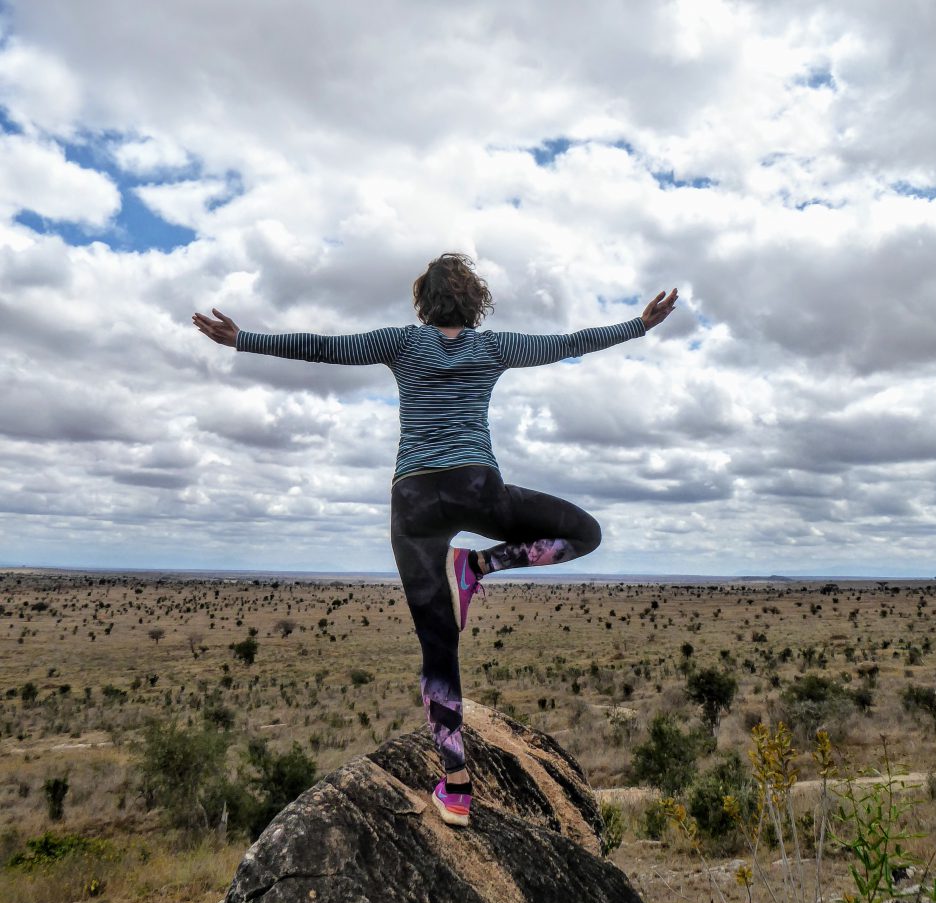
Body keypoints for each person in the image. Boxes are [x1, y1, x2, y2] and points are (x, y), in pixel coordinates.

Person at [193, 253, 677, 828]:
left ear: (424, 302)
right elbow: (568, 342)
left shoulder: (402, 344)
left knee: (438, 652)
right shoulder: (492, 347)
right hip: (477, 488)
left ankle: (456, 788)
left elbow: (325, 348)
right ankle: (477, 566)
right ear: (474, 302)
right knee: (585, 533)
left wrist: (243, 340)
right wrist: (639, 326)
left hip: (415, 503)